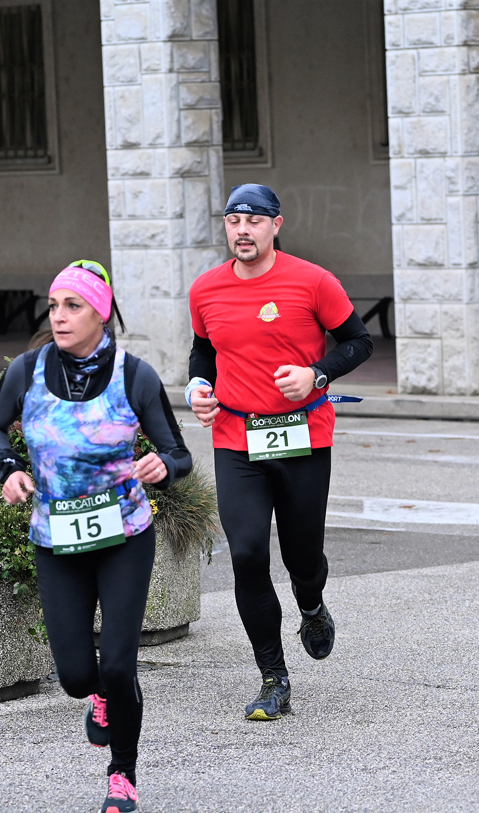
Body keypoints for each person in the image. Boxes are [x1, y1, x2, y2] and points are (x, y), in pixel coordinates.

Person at [0, 260, 192, 813]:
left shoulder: (134, 376)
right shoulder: (27, 371)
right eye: (54, 306)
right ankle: (97, 695)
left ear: (100, 314)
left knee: (119, 665)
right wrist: (8, 468)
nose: (59, 316)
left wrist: (162, 467)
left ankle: (123, 774)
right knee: (76, 676)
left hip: (124, 536)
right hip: (56, 540)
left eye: (73, 306)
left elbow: (179, 453)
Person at [186, 184, 372, 721]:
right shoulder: (205, 289)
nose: (242, 230)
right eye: (234, 221)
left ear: (276, 225)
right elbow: (203, 350)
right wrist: (198, 387)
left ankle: (311, 605)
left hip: (302, 435)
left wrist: (316, 374)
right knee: (246, 554)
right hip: (237, 437)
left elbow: (358, 342)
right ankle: (273, 677)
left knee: (302, 558)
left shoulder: (313, 281)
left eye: (254, 220)